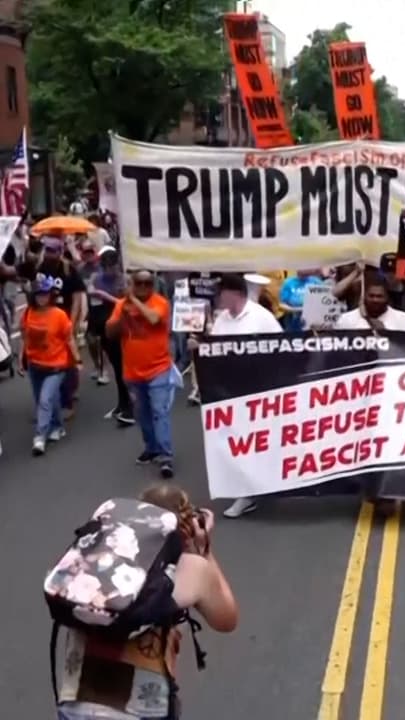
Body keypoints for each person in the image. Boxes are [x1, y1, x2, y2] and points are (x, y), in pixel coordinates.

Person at [55, 483, 239, 720]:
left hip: (78, 699)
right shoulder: (192, 568)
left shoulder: (97, 558)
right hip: (138, 709)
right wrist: (204, 550)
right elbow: (227, 619)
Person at [202, 273, 285, 518]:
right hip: (230, 392)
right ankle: (249, 488)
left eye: (222, 293)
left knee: (251, 442)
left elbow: (282, 349)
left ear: (235, 293)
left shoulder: (262, 317)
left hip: (257, 391)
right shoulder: (222, 319)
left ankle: (248, 493)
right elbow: (216, 350)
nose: (218, 298)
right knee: (236, 442)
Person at [106, 270, 180, 479]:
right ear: (133, 283)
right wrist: (123, 312)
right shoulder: (122, 305)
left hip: (158, 369)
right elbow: (110, 332)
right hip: (133, 371)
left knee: (160, 412)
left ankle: (166, 457)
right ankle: (152, 447)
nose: (143, 287)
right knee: (142, 414)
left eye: (148, 283)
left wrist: (133, 301)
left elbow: (153, 318)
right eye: (139, 283)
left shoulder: (160, 303)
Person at [22, 276, 81, 455]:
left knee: (45, 400)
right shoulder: (28, 313)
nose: (42, 297)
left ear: (51, 295)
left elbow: (69, 338)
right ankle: (57, 426)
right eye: (39, 294)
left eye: (45, 294)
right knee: (48, 398)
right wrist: (21, 359)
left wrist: (77, 360)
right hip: (35, 365)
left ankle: (40, 437)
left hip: (56, 366)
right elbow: (25, 337)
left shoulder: (59, 315)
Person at [87, 246, 133, 424]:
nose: (109, 271)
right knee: (116, 366)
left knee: (123, 366)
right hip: (104, 324)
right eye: (106, 267)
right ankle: (123, 402)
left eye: (112, 267)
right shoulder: (97, 278)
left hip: (123, 325)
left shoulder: (124, 280)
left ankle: (129, 404)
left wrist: (104, 295)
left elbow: (126, 304)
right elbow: (90, 292)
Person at [334, 275, 405, 331]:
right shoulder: (346, 320)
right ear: (364, 296)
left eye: (379, 296)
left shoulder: (403, 320)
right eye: (371, 296)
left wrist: (368, 319)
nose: (375, 300)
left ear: (387, 298)